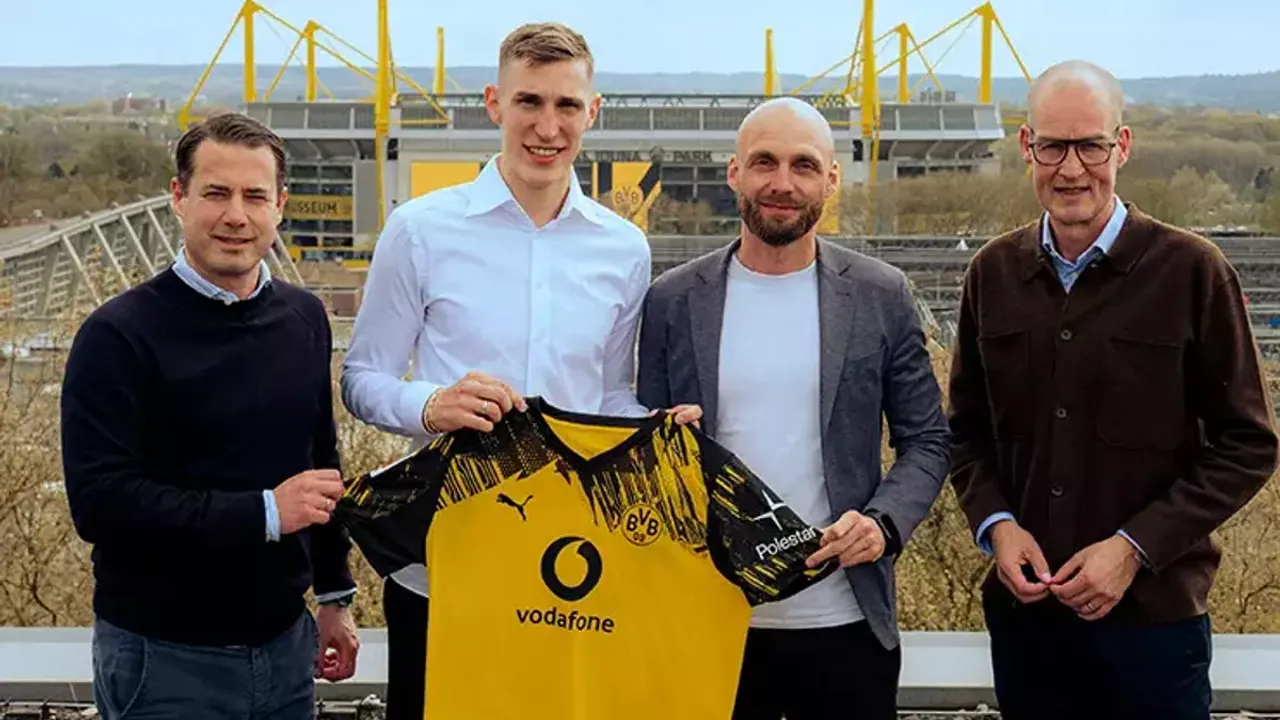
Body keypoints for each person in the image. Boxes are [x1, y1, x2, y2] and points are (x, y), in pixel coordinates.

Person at [339, 22, 698, 720]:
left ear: (593, 113)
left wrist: (652, 430)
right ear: (493, 103)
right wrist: (430, 404)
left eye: (567, 105)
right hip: (443, 564)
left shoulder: (625, 248)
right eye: (529, 101)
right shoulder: (419, 230)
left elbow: (607, 394)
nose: (547, 126)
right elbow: (361, 378)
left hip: (573, 569)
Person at [948, 60, 1279, 720]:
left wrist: (1134, 548)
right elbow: (965, 432)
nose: (1071, 169)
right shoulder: (992, 274)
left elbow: (1247, 444)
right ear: (1026, 146)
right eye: (1053, 146)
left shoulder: (1192, 272)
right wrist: (997, 527)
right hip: (1028, 627)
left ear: (1121, 146)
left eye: (1091, 146)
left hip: (1156, 630)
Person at [635, 96, 952, 720]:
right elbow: (640, 443)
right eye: (764, 162)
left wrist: (883, 524)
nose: (782, 183)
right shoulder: (672, 301)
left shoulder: (880, 295)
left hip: (846, 625)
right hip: (709, 621)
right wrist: (657, 444)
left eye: (803, 165)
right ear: (735, 173)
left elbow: (928, 440)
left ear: (831, 180)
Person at [60, 112, 361, 720]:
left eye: (255, 196)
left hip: (287, 647)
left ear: (280, 206)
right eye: (216, 193)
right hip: (164, 657)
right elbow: (102, 504)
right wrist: (265, 512)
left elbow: (319, 463)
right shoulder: (118, 335)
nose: (236, 215)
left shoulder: (303, 318)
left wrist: (334, 594)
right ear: (179, 197)